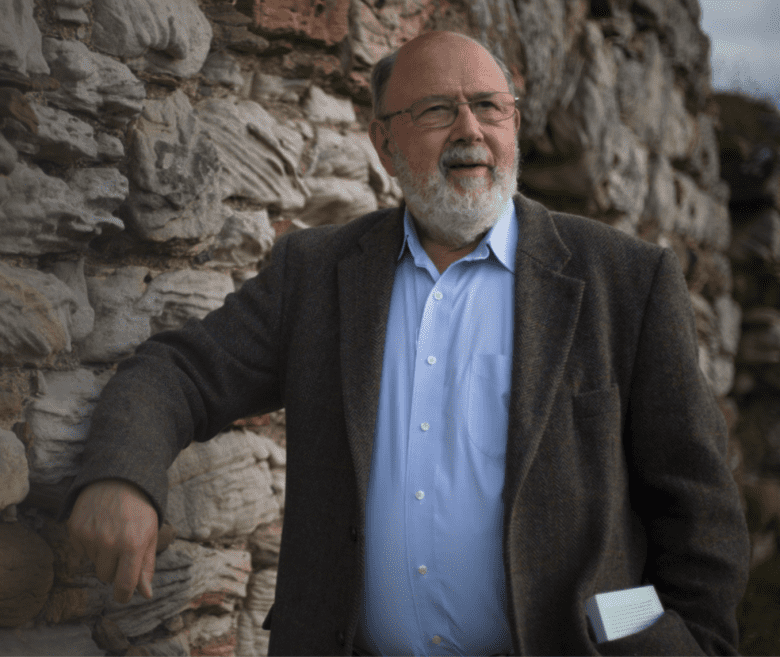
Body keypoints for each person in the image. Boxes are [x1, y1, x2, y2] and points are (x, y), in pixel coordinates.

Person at [65, 31, 749, 656]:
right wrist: (124, 474)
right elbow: (182, 370)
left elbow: (699, 509)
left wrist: (692, 647)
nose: (470, 129)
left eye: (490, 106)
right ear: (384, 144)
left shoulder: (625, 280)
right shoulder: (316, 274)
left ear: (513, 123)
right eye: (436, 110)